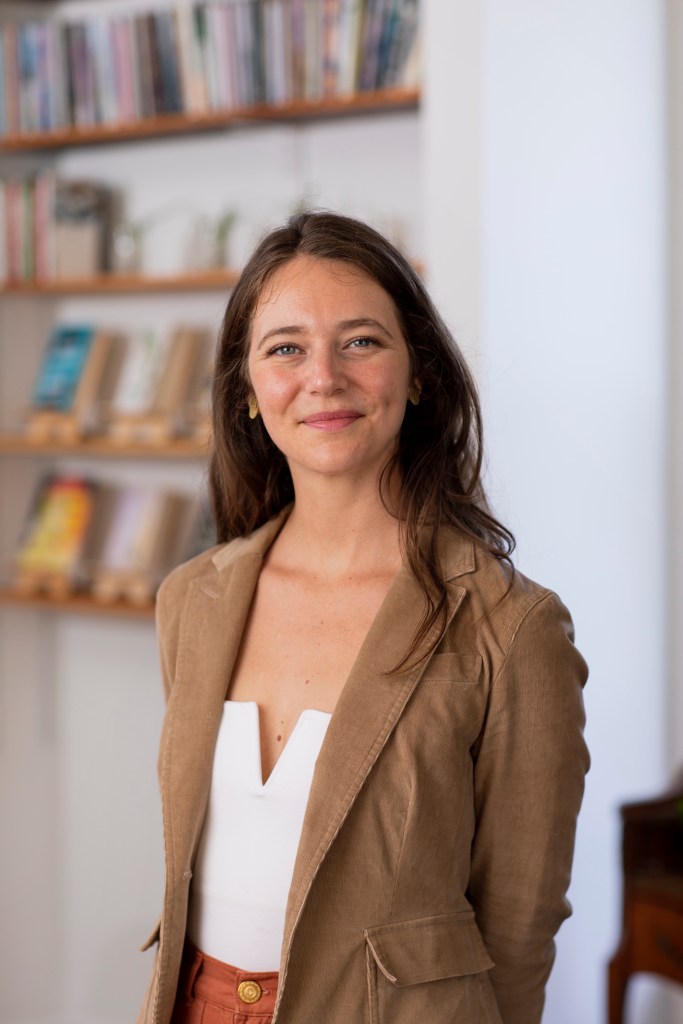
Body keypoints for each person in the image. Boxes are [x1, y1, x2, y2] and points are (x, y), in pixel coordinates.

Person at [137, 211, 589, 1024]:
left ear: (417, 373)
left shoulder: (511, 628)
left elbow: (520, 923)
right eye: (285, 348)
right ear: (246, 390)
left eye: (360, 341)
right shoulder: (192, 599)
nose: (323, 377)